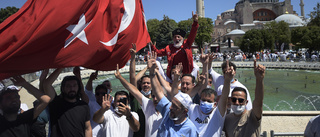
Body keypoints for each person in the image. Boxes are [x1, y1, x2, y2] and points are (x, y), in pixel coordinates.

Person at [148, 52, 198, 137]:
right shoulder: (168, 111)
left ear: (185, 111)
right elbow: (158, 92)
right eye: (172, 104)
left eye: (175, 106)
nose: (170, 107)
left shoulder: (190, 129)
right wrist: (152, 72)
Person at [115, 64, 162, 137]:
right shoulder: (148, 104)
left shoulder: (168, 108)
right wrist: (120, 77)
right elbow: (133, 84)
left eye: (148, 83)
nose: (155, 99)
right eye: (153, 96)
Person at [43, 68, 92, 137]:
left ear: (78, 87)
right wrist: (62, 67)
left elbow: (88, 128)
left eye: (74, 86)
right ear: (63, 88)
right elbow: (47, 84)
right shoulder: (56, 103)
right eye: (68, 86)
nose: (72, 89)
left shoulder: (83, 105)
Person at [151, 11, 199, 79]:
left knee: (197, 67)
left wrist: (195, 22)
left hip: (186, 75)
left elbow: (193, 33)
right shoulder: (169, 48)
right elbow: (157, 53)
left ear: (182, 38)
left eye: (179, 37)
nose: (177, 39)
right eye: (175, 37)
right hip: (172, 77)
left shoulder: (187, 44)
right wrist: (151, 46)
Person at [223, 60, 265, 137]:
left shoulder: (252, 116)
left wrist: (259, 79)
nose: (237, 102)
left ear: (246, 102)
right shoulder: (227, 119)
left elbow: (258, 102)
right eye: (234, 100)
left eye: (241, 100)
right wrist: (227, 80)